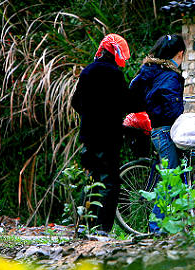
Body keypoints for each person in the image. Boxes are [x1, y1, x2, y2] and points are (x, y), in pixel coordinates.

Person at [70, 33, 137, 234]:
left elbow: (76, 102)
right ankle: (103, 229)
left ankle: (83, 226)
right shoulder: (114, 74)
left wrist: (90, 115)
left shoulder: (88, 71)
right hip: (109, 136)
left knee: (92, 178)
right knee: (110, 181)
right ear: (117, 53)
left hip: (89, 136)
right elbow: (127, 102)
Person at [129, 34, 187, 174]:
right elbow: (171, 104)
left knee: (167, 174)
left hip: (156, 129)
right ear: (180, 53)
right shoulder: (170, 76)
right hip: (167, 130)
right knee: (172, 180)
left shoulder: (151, 70)